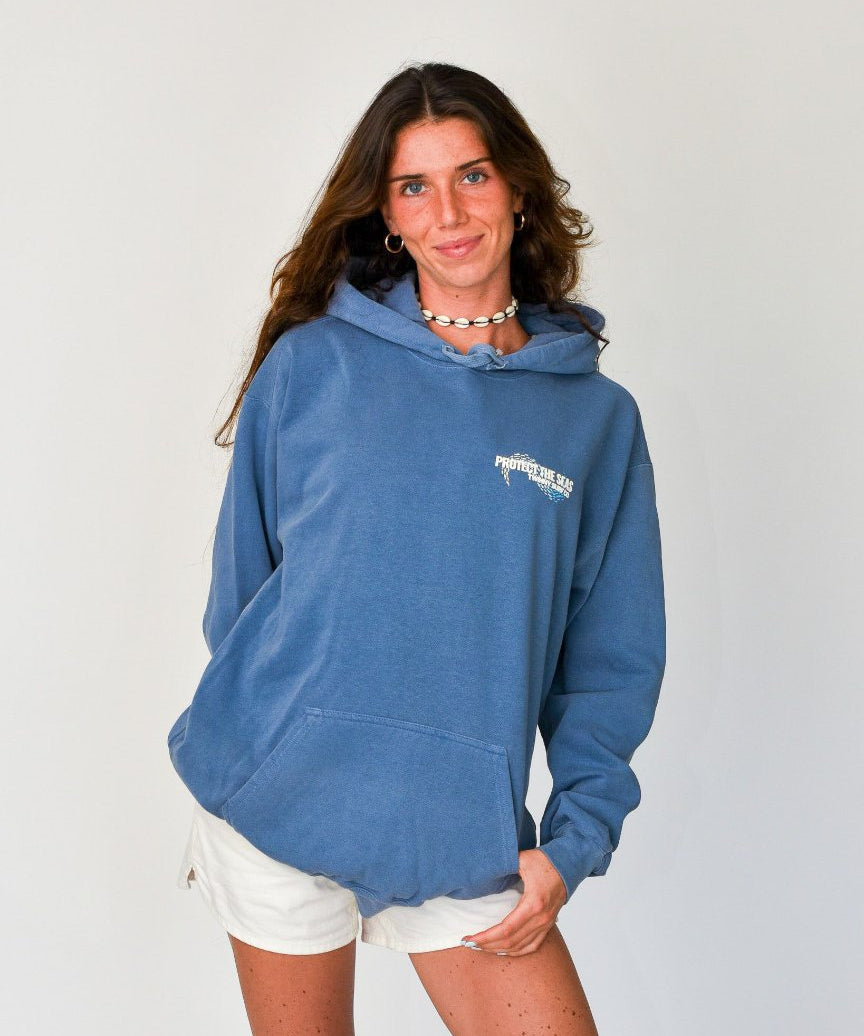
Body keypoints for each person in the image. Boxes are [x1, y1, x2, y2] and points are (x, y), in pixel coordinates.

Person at [166, 61, 666, 1036]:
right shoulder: (312, 365)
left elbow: (612, 660)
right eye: (413, 186)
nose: (449, 212)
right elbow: (242, 599)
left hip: (460, 831)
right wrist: (291, 735)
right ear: (388, 215)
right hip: (276, 807)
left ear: (517, 189)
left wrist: (576, 837)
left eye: (472, 175)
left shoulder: (593, 420)